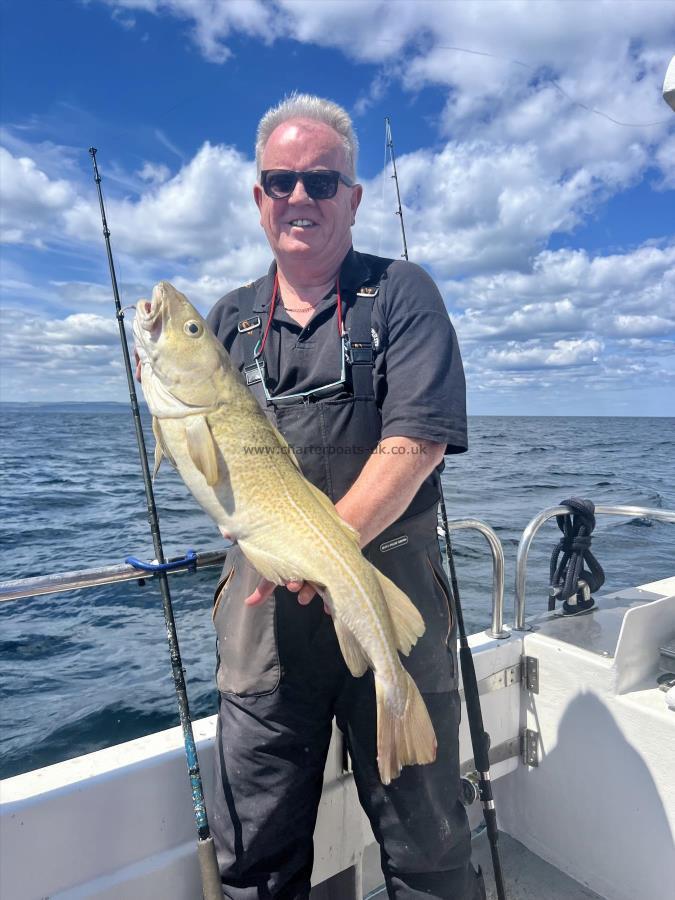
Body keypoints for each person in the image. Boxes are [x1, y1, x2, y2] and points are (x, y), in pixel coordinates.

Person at [206, 94, 485, 900]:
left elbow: (417, 440)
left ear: (353, 199)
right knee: (256, 859)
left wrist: (323, 558)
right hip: (262, 622)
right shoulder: (223, 322)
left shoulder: (402, 294)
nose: (300, 197)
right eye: (281, 181)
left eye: (321, 182)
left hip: (389, 597)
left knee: (429, 852)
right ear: (259, 197)